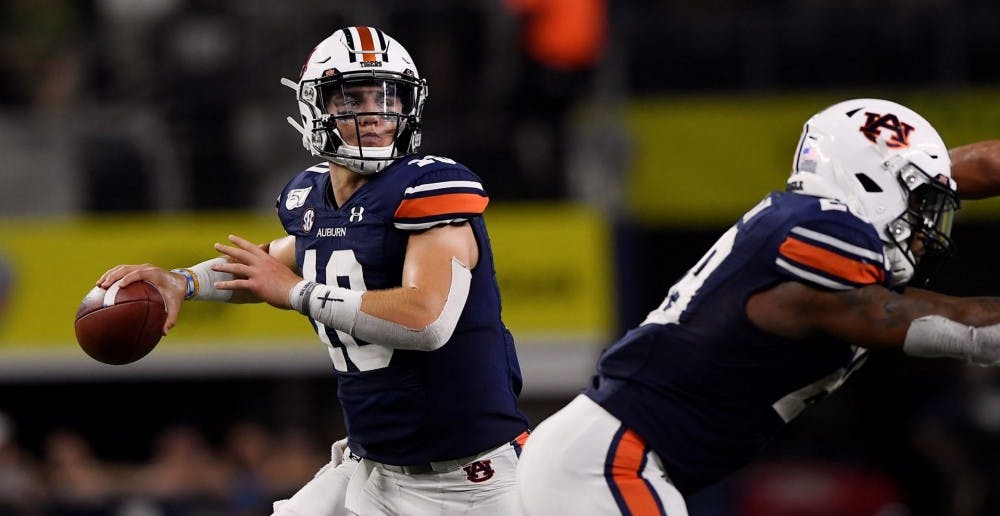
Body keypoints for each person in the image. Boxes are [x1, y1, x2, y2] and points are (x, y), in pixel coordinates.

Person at [97, 26, 530, 515]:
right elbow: (264, 266)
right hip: (371, 469)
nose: (373, 114)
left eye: (387, 97)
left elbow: (427, 320)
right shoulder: (313, 199)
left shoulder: (428, 188)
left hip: (464, 484)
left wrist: (298, 292)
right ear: (315, 107)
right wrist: (183, 281)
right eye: (352, 99)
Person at [516, 98, 1000, 515]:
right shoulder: (827, 231)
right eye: (920, 206)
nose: (925, 229)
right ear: (872, 186)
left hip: (606, 459)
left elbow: (957, 169)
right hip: (607, 461)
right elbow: (962, 326)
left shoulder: (809, 217)